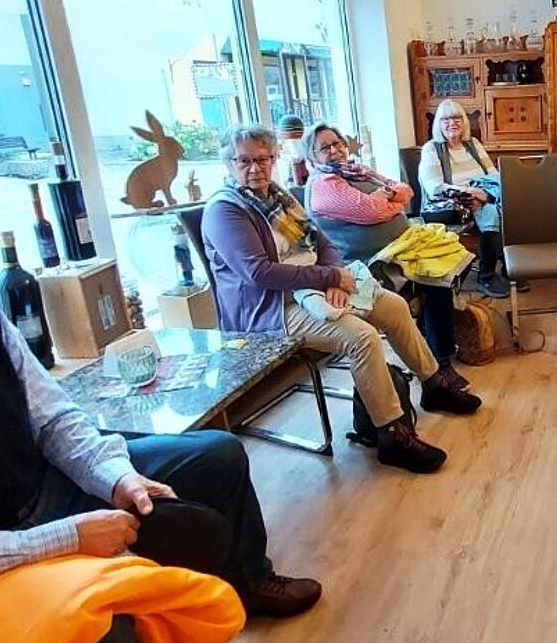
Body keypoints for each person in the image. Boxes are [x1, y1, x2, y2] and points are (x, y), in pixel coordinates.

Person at [0, 212, 320, 618]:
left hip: (48, 486)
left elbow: (54, 419)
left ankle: (248, 582)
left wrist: (117, 478)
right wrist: (65, 538)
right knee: (114, 629)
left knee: (220, 455)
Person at [201, 125, 480, 475]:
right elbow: (260, 273)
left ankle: (434, 384)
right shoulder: (225, 210)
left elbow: (323, 243)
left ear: (273, 159)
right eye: (244, 161)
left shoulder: (279, 197)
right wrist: (329, 278)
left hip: (313, 285)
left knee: (394, 307)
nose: (255, 168)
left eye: (263, 159)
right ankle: (392, 435)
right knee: (362, 338)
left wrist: (335, 275)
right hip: (272, 307)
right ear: (228, 163)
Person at [301, 122, 470, 389]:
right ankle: (441, 363)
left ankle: (431, 342)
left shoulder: (357, 172)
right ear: (312, 157)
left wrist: (385, 199)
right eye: (324, 148)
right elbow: (371, 212)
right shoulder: (324, 185)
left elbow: (405, 191)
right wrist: (390, 204)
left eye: (337, 143)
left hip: (401, 246)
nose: (334, 150)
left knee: (454, 260)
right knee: (437, 280)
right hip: (370, 261)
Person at [418, 99, 527, 299]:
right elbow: (434, 187)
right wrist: (471, 193)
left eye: (457, 117)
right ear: (438, 124)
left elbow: (494, 175)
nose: (452, 123)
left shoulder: (473, 144)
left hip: (482, 196)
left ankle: (510, 267)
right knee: (492, 211)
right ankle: (486, 276)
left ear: (464, 121)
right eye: (446, 119)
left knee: (512, 206)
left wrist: (485, 195)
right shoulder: (431, 149)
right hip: (449, 204)